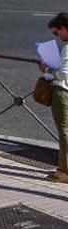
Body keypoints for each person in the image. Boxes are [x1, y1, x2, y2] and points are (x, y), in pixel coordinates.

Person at [42, 12, 68, 183]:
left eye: (56, 32)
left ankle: (64, 171)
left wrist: (47, 70)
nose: (56, 36)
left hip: (63, 93)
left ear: (64, 28)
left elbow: (63, 74)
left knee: (64, 131)